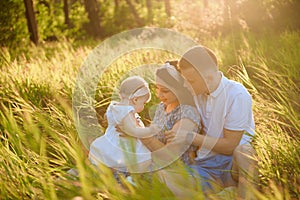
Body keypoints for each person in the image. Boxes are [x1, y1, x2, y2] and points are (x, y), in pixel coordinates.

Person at [164, 46, 257, 198]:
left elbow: (229, 146)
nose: (186, 85)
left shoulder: (237, 95)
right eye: (184, 80)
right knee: (162, 178)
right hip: (204, 167)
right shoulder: (196, 92)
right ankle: (224, 195)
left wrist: (190, 137)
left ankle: (245, 195)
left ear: (210, 78)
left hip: (232, 166)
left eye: (190, 81)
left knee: (245, 152)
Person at [88, 76, 159, 173]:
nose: (144, 106)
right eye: (144, 103)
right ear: (135, 100)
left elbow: (106, 117)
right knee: (145, 157)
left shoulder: (114, 106)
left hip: (110, 141)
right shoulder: (127, 111)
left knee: (105, 165)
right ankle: (133, 180)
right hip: (123, 143)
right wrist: (149, 130)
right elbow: (132, 130)